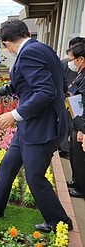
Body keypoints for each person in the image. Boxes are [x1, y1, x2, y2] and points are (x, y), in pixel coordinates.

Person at [0, 19, 73, 233]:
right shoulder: (42, 47)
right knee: (7, 166)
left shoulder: (27, 54)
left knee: (35, 177)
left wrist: (15, 114)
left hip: (40, 128)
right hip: (33, 126)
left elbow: (45, 91)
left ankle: (59, 221)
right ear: (27, 33)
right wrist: (9, 87)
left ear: (6, 43)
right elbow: (57, 81)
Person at [65, 43, 85, 198]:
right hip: (75, 119)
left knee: (79, 157)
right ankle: (75, 180)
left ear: (81, 59)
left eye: (72, 59)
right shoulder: (80, 73)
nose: (70, 62)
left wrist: (82, 129)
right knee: (73, 153)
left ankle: (81, 187)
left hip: (81, 123)